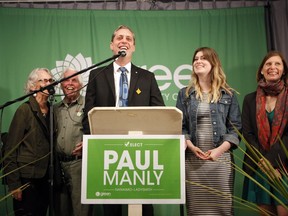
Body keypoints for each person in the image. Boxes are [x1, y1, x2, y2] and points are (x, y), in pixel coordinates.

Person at [82, 25, 165, 216]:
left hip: (141, 152)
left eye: (128, 38)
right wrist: (91, 142)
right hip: (106, 151)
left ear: (133, 47)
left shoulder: (147, 78)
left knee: (142, 206)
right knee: (111, 207)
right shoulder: (97, 75)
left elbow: (159, 113)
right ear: (112, 45)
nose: (124, 41)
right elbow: (88, 114)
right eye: (119, 37)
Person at [176, 47, 242, 216]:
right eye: (195, 58)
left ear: (213, 63)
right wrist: (190, 146)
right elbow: (180, 127)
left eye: (203, 58)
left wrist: (218, 151)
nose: (198, 61)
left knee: (223, 210)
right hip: (193, 161)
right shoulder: (184, 94)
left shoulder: (228, 94)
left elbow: (235, 129)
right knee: (196, 210)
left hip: (220, 161)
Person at [242, 51, 288, 216]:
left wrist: (272, 163)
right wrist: (265, 164)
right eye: (268, 64)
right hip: (259, 165)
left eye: (277, 64)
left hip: (283, 166)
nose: (272, 67)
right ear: (261, 70)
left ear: (283, 70)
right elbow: (247, 134)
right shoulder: (249, 99)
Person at [3, 68, 54, 216]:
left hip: (45, 178)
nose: (48, 83)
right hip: (26, 179)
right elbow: (10, 149)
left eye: (50, 80)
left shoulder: (52, 110)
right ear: (32, 86)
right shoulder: (24, 110)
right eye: (43, 80)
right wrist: (14, 184)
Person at [54, 68, 93, 216]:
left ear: (80, 84)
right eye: (66, 80)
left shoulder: (88, 106)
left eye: (74, 80)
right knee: (61, 210)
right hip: (59, 167)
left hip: (80, 165)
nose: (70, 84)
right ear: (61, 84)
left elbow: (99, 132)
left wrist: (88, 145)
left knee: (81, 211)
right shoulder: (55, 108)